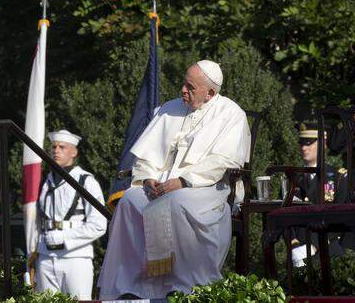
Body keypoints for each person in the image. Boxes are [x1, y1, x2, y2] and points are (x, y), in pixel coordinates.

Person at [98, 60, 251, 299]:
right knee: (130, 200)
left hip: (205, 188)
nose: (183, 90)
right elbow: (146, 158)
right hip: (161, 185)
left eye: (190, 87)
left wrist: (183, 181)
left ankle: (185, 287)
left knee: (178, 202)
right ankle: (130, 286)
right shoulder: (169, 109)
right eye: (184, 83)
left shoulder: (231, 114)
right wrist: (148, 178)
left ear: (210, 93)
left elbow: (223, 162)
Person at [35, 130, 107, 300]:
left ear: (74, 152)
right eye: (54, 147)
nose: (56, 150)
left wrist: (65, 236)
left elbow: (98, 225)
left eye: (62, 147)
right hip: (46, 256)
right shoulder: (46, 182)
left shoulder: (86, 181)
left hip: (76, 257)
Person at [289, 125, 345, 268]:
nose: (304, 148)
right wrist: (294, 244)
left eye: (309, 143)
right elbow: (284, 214)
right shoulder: (293, 178)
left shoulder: (337, 177)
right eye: (302, 143)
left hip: (328, 250)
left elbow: (343, 216)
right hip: (298, 252)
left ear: (323, 144)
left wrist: (314, 246)